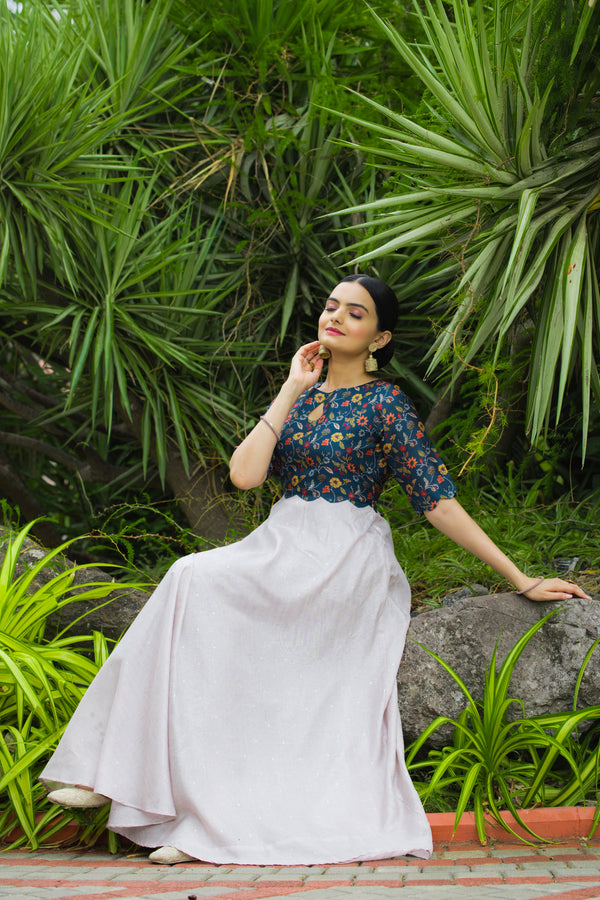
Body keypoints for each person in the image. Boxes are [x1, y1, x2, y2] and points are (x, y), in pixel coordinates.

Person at [42, 274, 591, 866]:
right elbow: (245, 476)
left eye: (355, 314)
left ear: (379, 338)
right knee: (189, 577)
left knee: (200, 587)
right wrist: (288, 388)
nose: (336, 317)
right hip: (281, 541)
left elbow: (436, 500)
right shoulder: (300, 395)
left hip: (345, 554)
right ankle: (126, 781)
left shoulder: (385, 402)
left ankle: (195, 814)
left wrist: (520, 578)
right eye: (331, 306)